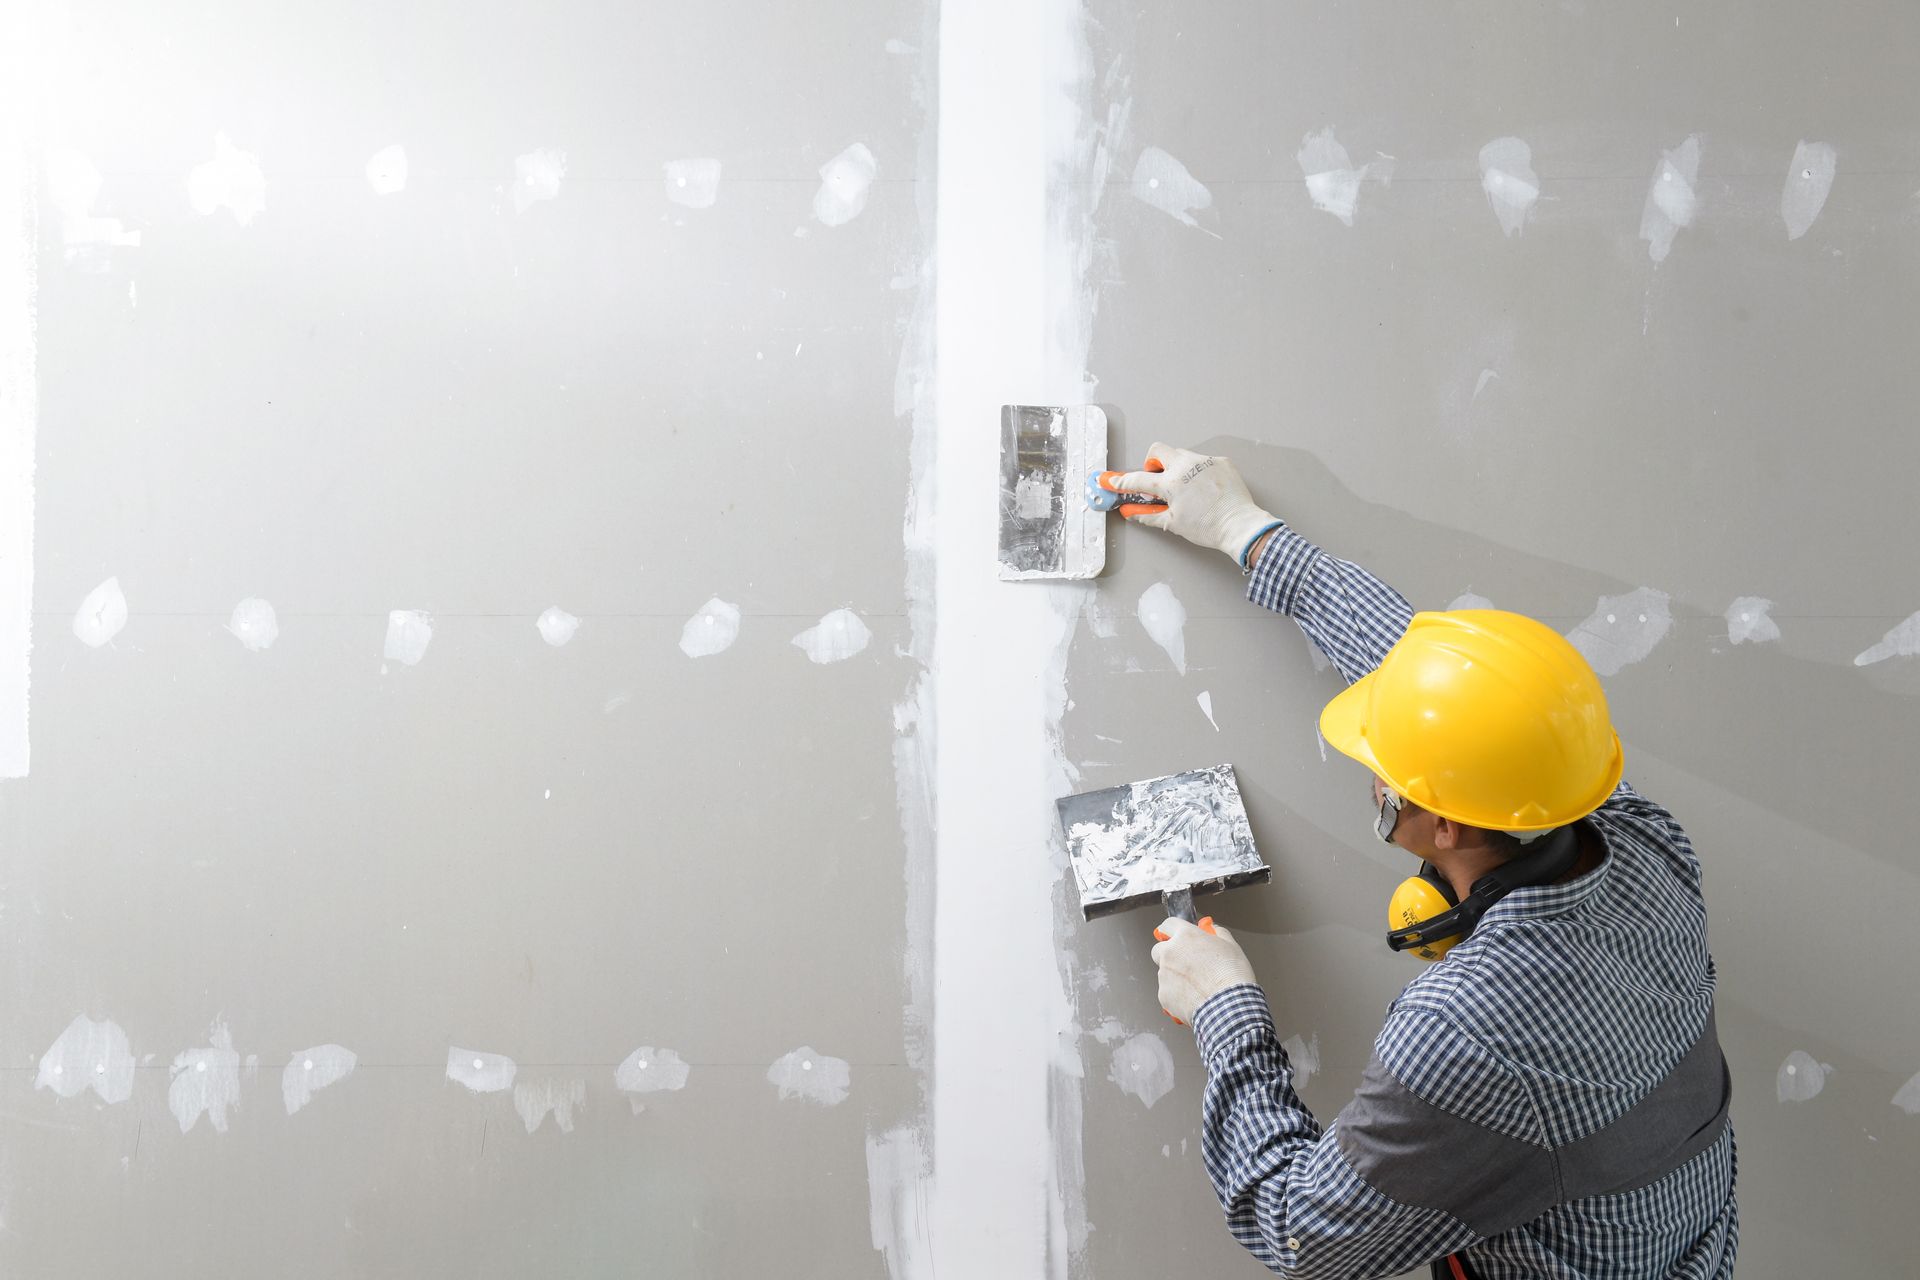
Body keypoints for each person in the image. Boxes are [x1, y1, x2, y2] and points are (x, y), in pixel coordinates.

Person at [1112, 444, 1737, 1280]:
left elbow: (1301, 1232)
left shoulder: (1469, 1030)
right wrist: (1243, 529)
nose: (1371, 769)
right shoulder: (1643, 843)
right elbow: (1445, 687)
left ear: (1439, 823)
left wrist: (1227, 1008)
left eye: (1385, 764)